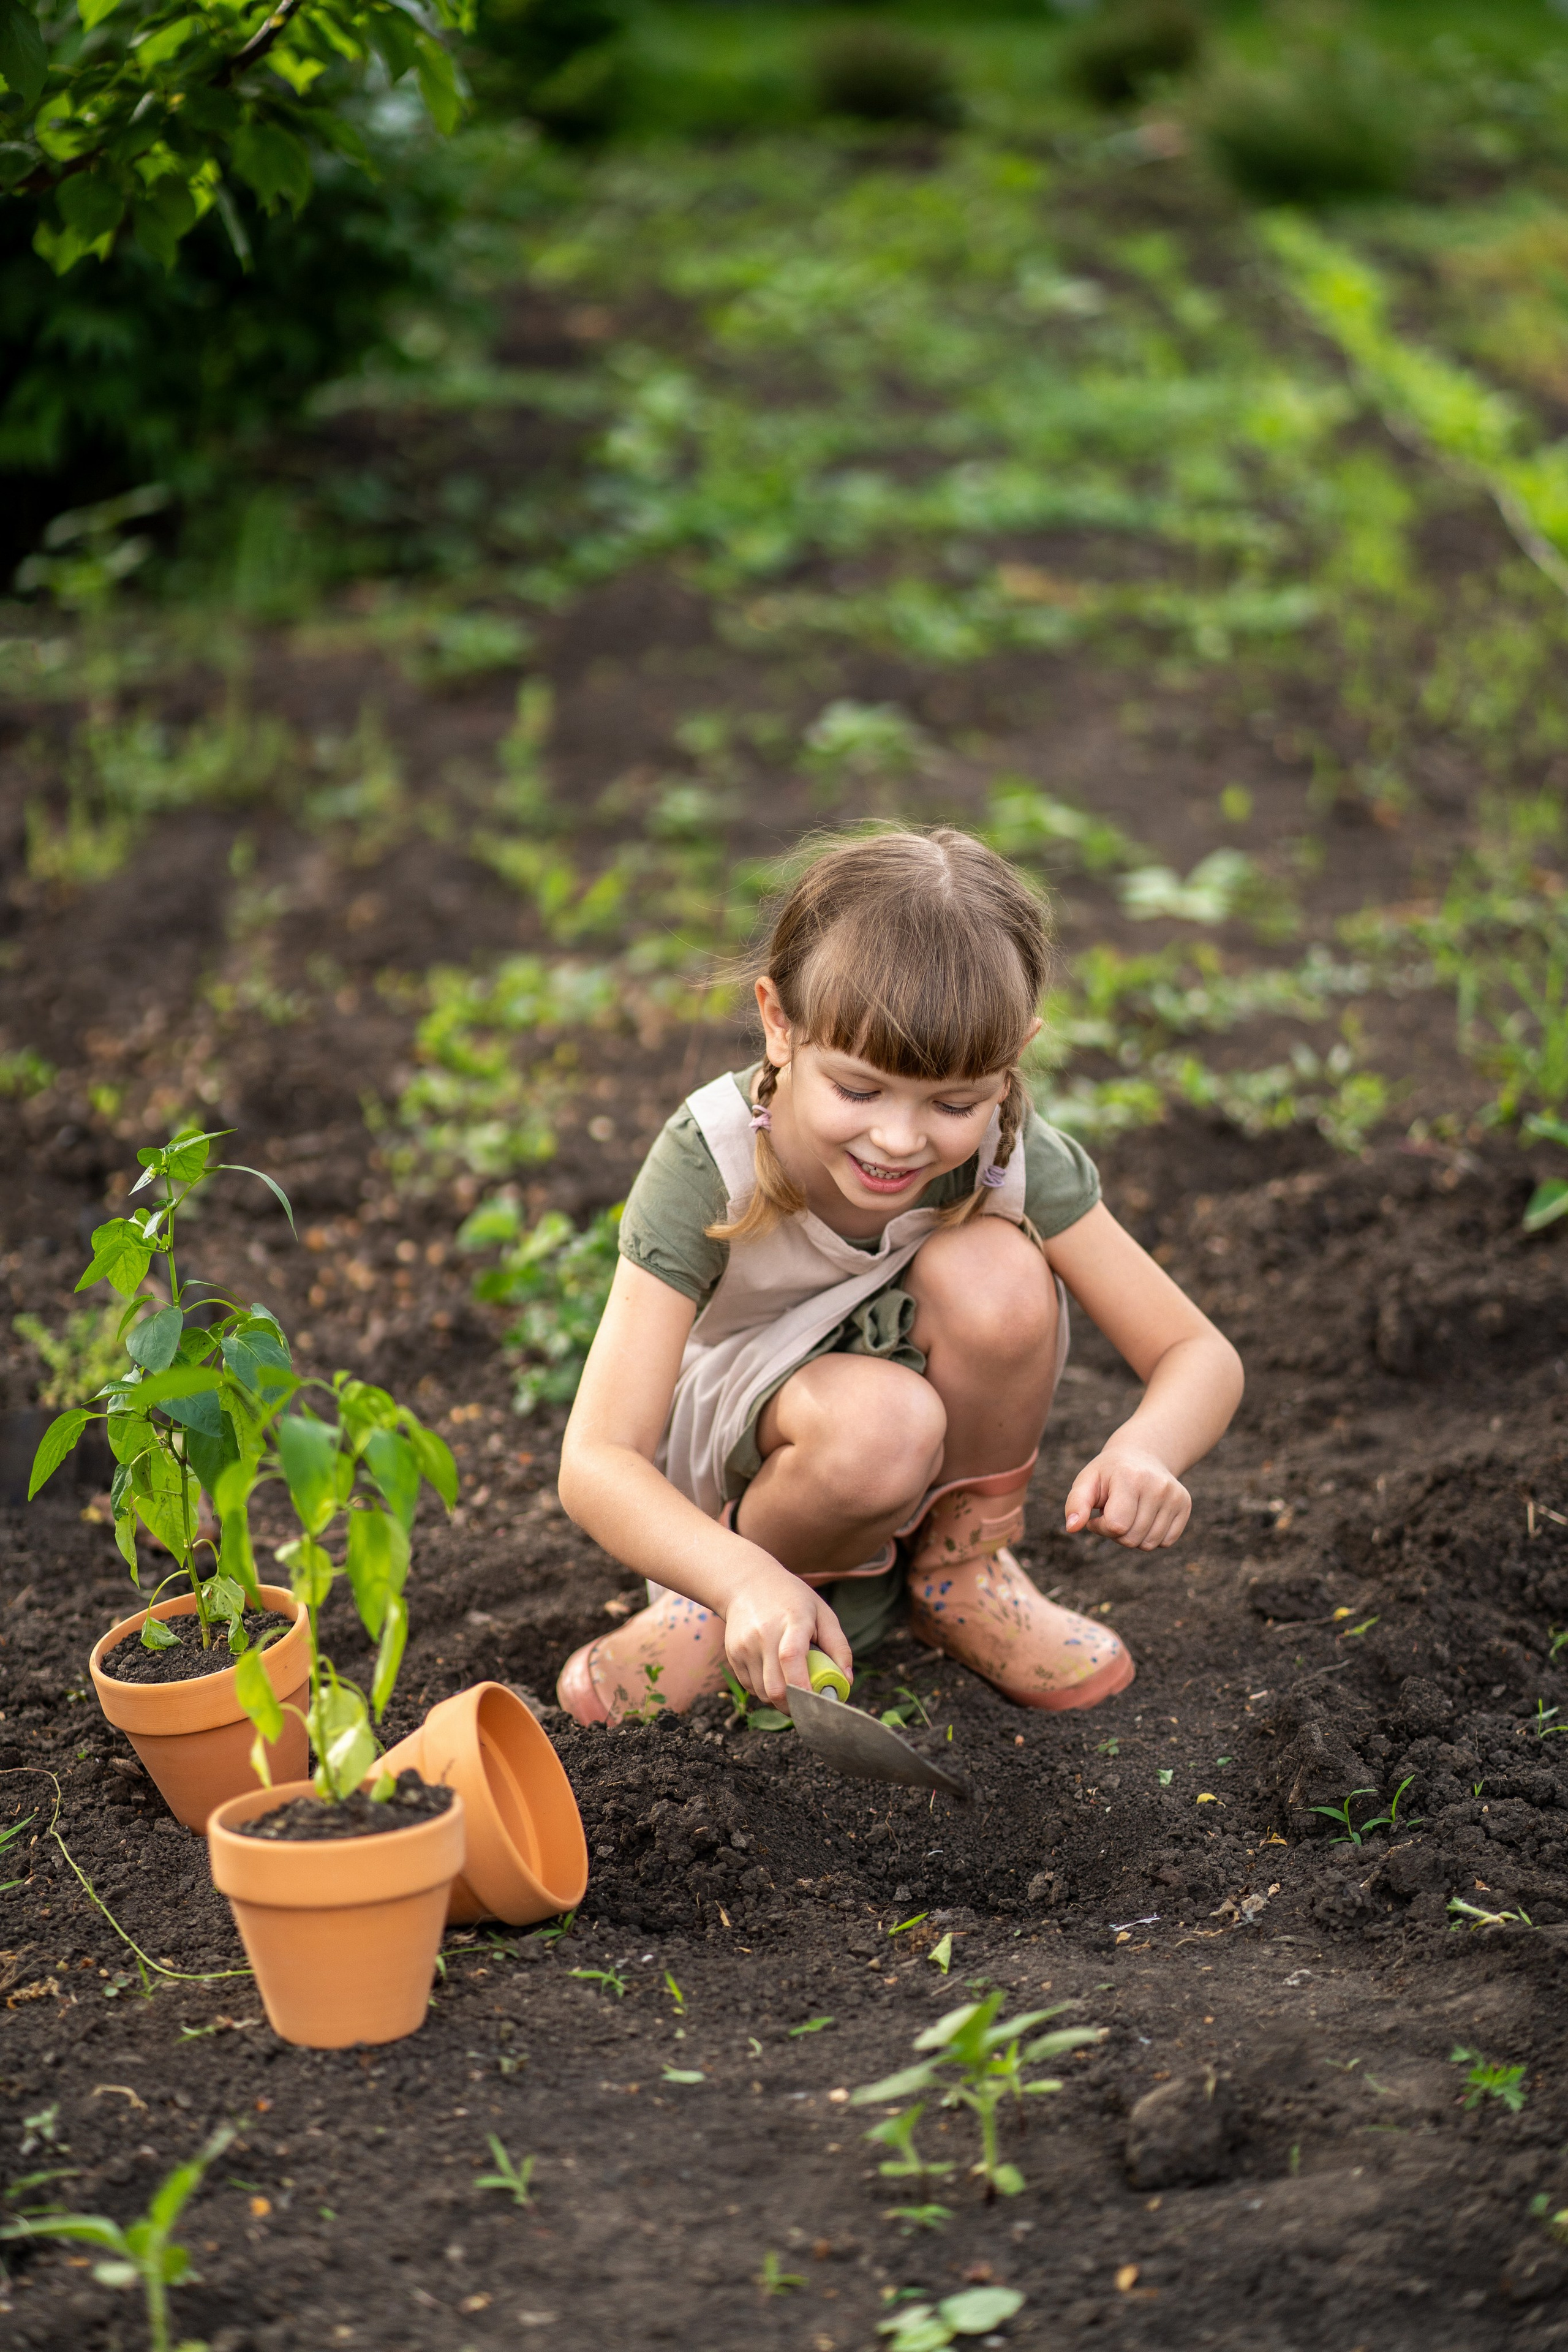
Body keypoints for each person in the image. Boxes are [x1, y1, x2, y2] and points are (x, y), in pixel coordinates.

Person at [555, 826, 1242, 1726]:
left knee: (1001, 1274)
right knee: (881, 1424)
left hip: (904, 1444)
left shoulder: (1006, 1154)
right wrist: (740, 1577)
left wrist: (1147, 1449)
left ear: (1011, 1062)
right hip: (743, 1474)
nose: (900, 1139)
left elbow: (1196, 1350)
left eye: (953, 1103)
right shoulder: (712, 1161)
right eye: (860, 1090)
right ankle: (724, 1610)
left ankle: (962, 1571)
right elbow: (595, 1460)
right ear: (779, 1022)